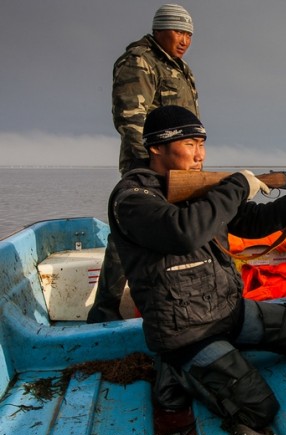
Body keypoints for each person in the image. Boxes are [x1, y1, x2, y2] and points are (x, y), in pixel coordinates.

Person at [108, 105, 286, 435]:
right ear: (156, 147)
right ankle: (175, 372)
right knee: (259, 409)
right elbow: (182, 232)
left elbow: (254, 221)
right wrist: (235, 188)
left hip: (228, 312)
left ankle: (216, 358)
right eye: (189, 144)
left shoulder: (198, 188)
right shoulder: (132, 198)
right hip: (186, 332)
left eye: (202, 143)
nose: (200, 154)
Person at [88, 4, 200, 323]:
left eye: (189, 34)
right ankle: (105, 308)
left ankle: (163, 300)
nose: (184, 40)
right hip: (146, 165)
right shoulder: (139, 61)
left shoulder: (181, 68)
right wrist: (150, 170)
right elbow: (131, 120)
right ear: (159, 29)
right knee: (130, 231)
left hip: (181, 167)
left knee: (173, 229)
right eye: (178, 31)